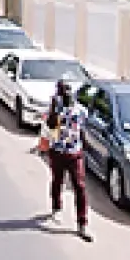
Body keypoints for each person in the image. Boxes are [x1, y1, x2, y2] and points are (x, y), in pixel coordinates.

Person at [42, 77, 92, 240]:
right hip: (57, 152)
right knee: (58, 181)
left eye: (69, 90)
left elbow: (83, 129)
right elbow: (49, 126)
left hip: (75, 154)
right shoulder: (56, 108)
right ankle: (56, 208)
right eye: (64, 90)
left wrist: (84, 147)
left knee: (80, 186)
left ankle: (82, 224)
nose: (67, 93)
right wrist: (54, 110)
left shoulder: (80, 110)